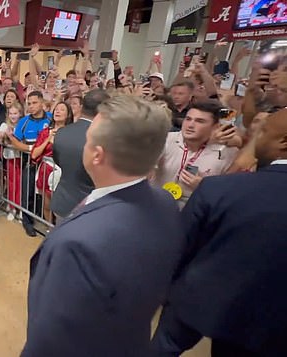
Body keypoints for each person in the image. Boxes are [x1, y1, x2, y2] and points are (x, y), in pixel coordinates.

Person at [23, 96, 184, 356]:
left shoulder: (76, 243)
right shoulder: (165, 202)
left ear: (97, 155)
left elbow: (51, 336)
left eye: (88, 139)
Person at [151, 108, 287, 356]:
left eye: (264, 131)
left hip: (196, 296)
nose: (255, 137)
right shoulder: (170, 143)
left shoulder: (221, 185)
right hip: (269, 320)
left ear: (283, 142)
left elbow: (182, 247)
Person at [153, 100, 238, 209]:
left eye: (200, 121)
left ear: (215, 127)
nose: (190, 125)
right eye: (188, 119)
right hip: (154, 205)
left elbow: (228, 196)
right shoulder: (165, 139)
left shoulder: (228, 154)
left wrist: (205, 187)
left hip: (192, 212)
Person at [51, 89, 109, 222]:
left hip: (62, 201)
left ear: (82, 107)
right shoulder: (104, 139)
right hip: (89, 208)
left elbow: (58, 160)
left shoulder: (62, 133)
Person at [7, 91, 52, 237]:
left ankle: (46, 219)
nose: (31, 106)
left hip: (48, 163)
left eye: (34, 103)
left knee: (46, 193)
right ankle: (27, 222)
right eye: (29, 103)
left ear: (41, 103)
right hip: (29, 161)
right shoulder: (24, 121)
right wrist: (31, 149)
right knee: (27, 191)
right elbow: (15, 141)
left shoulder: (51, 118)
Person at [31, 101, 74, 223]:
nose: (58, 111)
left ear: (68, 115)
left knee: (61, 206)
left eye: (62, 110)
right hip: (47, 169)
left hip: (65, 172)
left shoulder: (72, 133)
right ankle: (50, 229)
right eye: (56, 109)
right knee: (47, 205)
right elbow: (34, 154)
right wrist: (48, 139)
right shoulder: (45, 132)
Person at [0, 102, 24, 221]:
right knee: (12, 183)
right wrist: (2, 137)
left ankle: (20, 208)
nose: (13, 116)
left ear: (20, 114)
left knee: (20, 183)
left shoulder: (23, 125)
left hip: (22, 158)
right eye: (11, 113)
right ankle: (12, 206)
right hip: (10, 158)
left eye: (16, 113)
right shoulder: (4, 125)